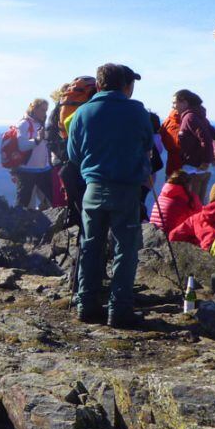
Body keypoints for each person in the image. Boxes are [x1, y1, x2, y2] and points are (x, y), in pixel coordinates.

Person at [68, 64, 153, 329]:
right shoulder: (137, 111)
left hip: (93, 188)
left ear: (100, 85)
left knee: (91, 245)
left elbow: (73, 154)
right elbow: (147, 145)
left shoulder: (83, 113)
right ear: (124, 85)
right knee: (124, 249)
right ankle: (119, 309)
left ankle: (86, 304)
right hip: (126, 188)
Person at [171, 90, 215, 201]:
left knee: (191, 205)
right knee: (199, 206)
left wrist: (206, 161)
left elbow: (207, 139)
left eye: (175, 103)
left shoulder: (189, 118)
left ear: (184, 102)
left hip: (194, 169)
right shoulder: (200, 116)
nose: (173, 106)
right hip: (203, 170)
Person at [14, 99, 56, 209]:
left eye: (46, 110)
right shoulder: (24, 124)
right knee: (24, 203)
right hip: (27, 170)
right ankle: (20, 223)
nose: (45, 113)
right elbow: (22, 146)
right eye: (42, 110)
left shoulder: (40, 123)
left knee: (51, 200)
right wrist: (37, 140)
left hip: (44, 168)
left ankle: (51, 223)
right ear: (34, 109)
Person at [148, 171, 203, 235]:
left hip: (154, 235)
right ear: (188, 185)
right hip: (172, 239)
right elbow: (201, 219)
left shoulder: (161, 196)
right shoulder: (189, 198)